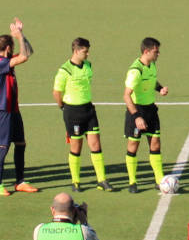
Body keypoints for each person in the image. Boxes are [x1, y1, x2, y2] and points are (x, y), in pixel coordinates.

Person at [55, 37, 113, 192]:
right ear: (76, 51)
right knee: (76, 146)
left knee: (96, 145)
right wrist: (63, 107)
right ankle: (76, 182)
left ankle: (101, 180)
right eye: (85, 51)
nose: (87, 54)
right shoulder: (65, 69)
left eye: (88, 51)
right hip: (72, 112)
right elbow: (56, 92)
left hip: (88, 110)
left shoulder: (88, 65)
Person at [0, 19, 38, 196]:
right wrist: (18, 36)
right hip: (3, 110)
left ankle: (20, 182)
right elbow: (24, 56)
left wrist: (21, 35)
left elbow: (29, 52)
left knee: (20, 143)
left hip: (13, 109)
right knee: (3, 147)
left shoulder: (7, 58)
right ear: (8, 48)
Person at [123, 36, 169, 193]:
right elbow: (126, 95)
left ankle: (159, 180)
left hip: (151, 110)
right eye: (156, 51)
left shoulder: (152, 65)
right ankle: (132, 181)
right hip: (136, 111)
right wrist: (137, 117)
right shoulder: (135, 71)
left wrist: (160, 88)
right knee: (133, 145)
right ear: (146, 51)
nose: (158, 54)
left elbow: (152, 81)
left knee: (155, 143)